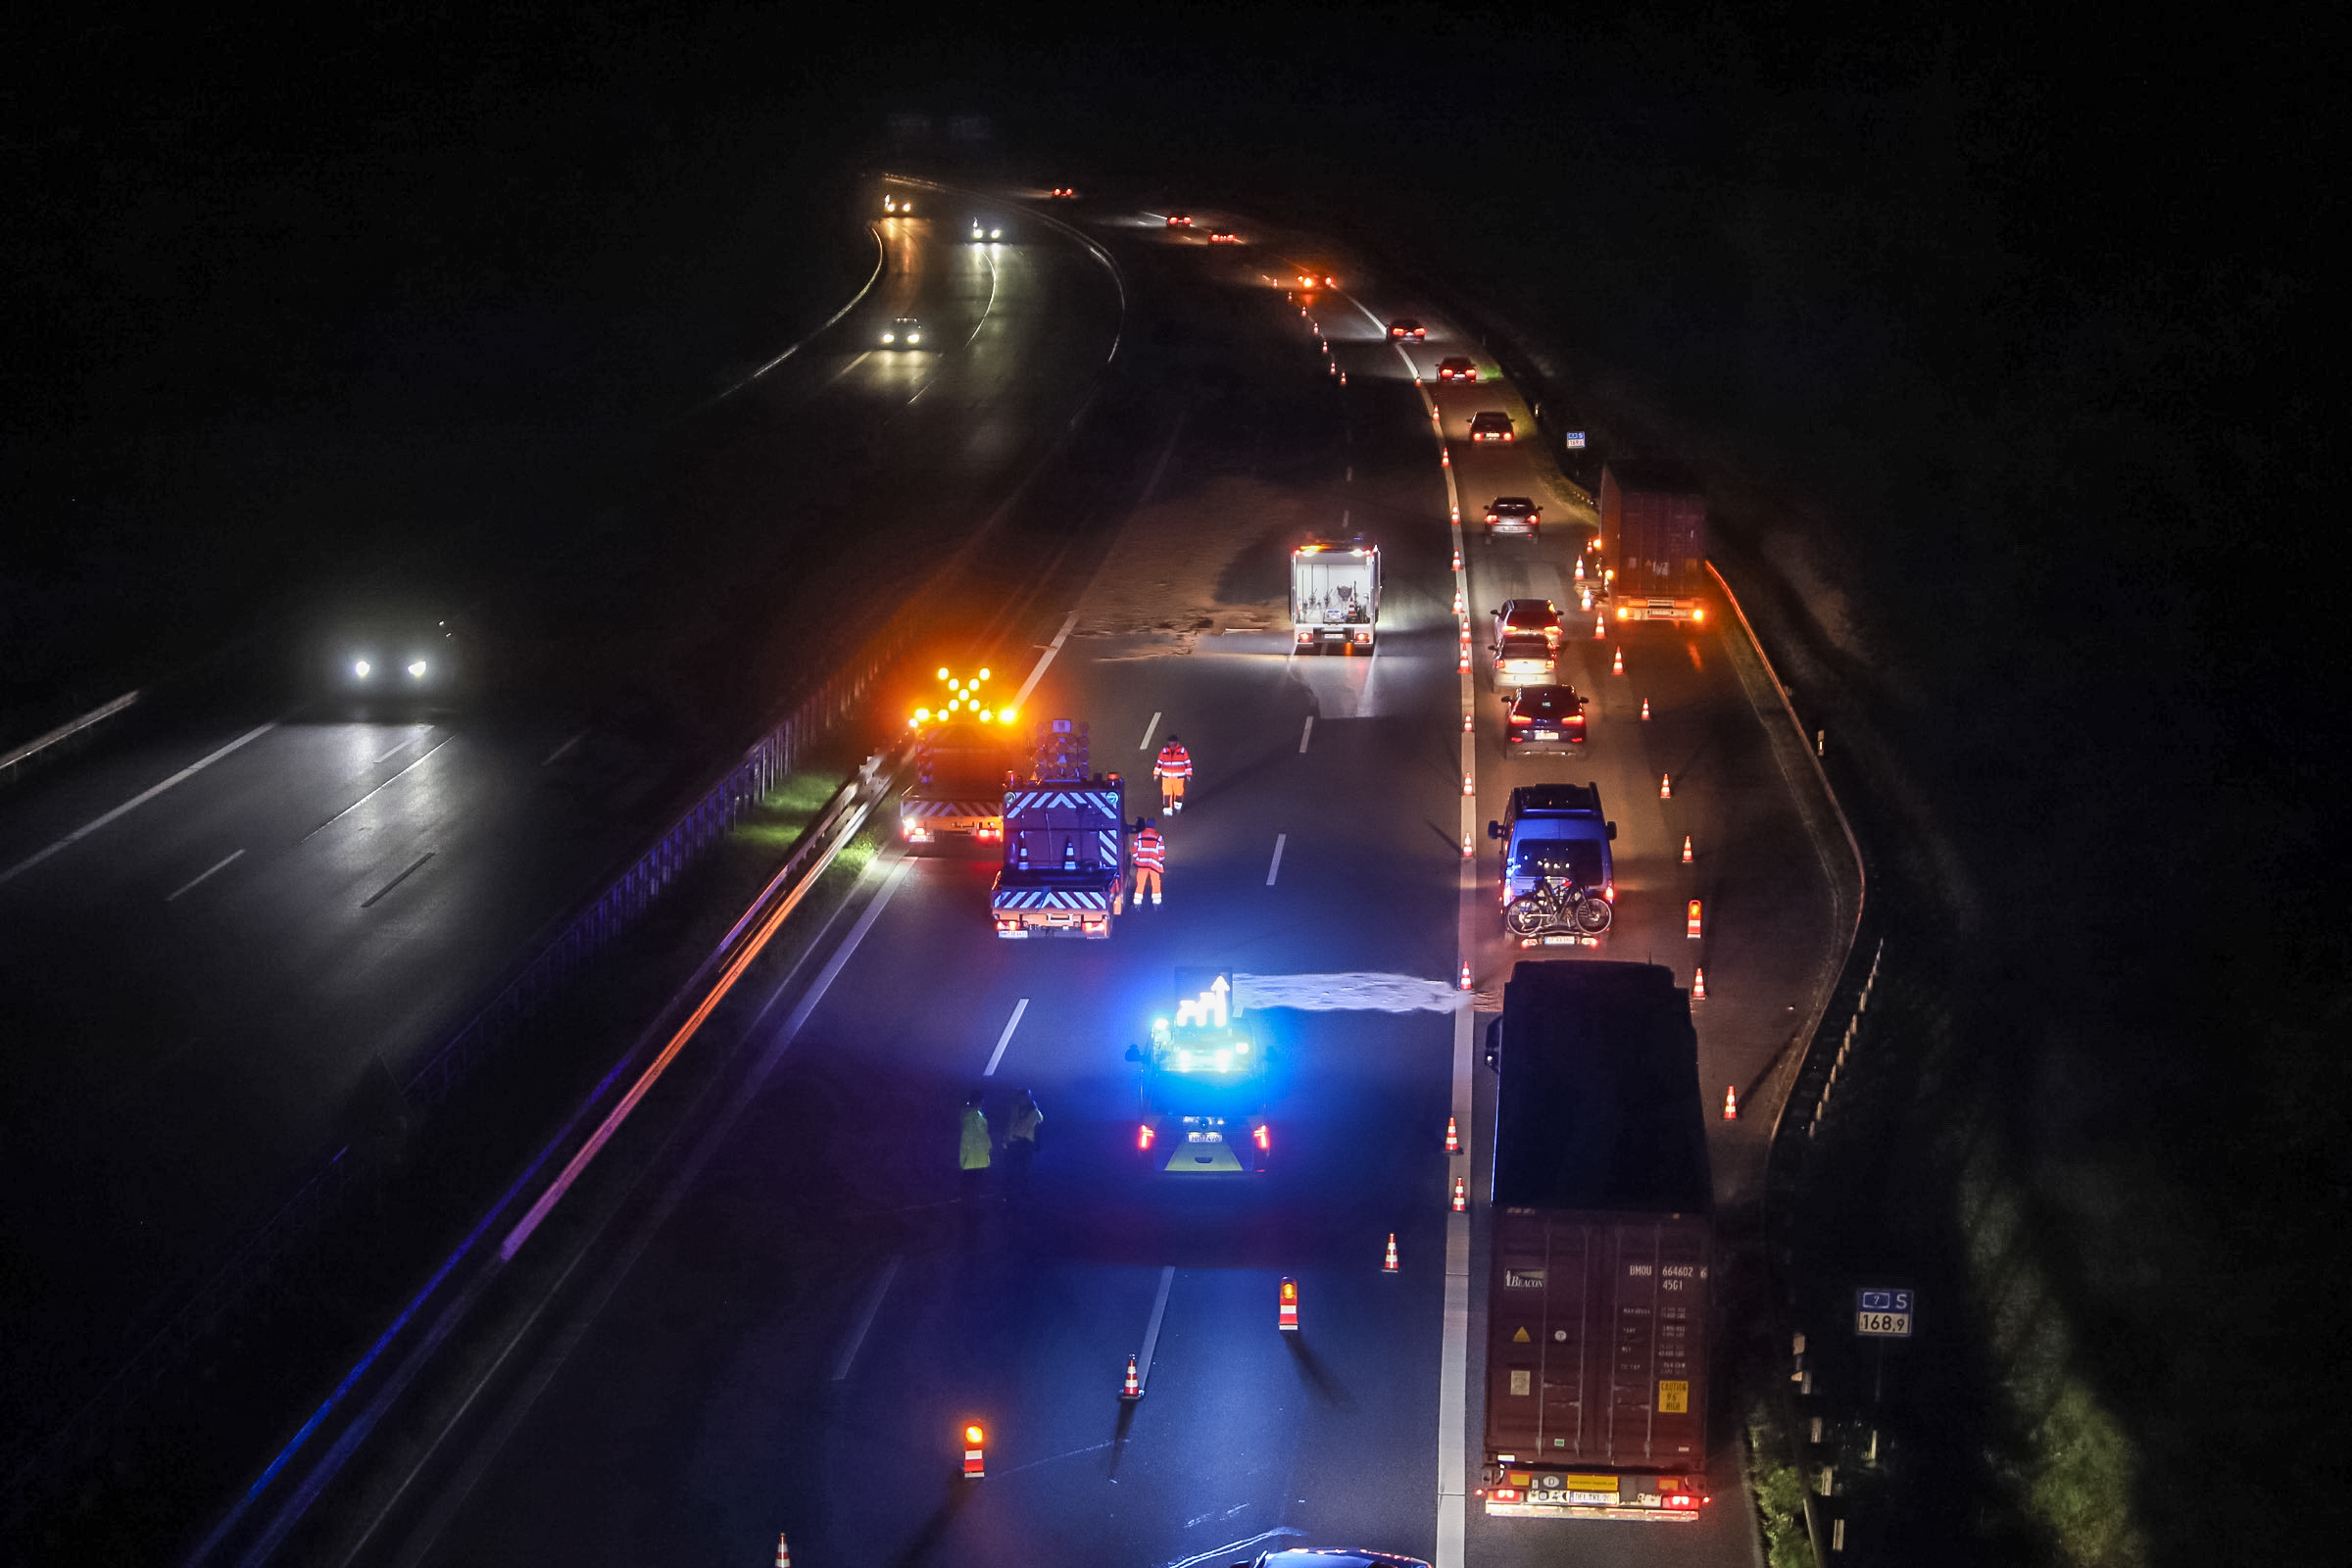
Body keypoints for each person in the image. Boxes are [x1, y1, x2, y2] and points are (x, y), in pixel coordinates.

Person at [958, 1091, 992, 1183]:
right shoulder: (976, 1116)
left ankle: (969, 1196)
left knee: (970, 1183)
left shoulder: (968, 1115)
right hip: (978, 1156)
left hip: (971, 1157)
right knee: (974, 1183)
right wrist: (988, 1145)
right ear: (979, 1102)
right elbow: (981, 1135)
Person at [1005, 1089, 1043, 1170]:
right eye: (1021, 1097)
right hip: (1013, 1144)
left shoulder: (1034, 1112)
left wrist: (1036, 1144)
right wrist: (1006, 1139)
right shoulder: (1014, 1109)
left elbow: (1032, 1128)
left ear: (1029, 1098)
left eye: (1024, 1097)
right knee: (1011, 1170)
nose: (1022, 1099)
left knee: (1022, 1171)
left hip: (1025, 1145)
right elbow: (1010, 1125)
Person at [1153, 734, 1193, 813]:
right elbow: (1159, 763)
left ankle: (1178, 806)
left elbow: (1187, 763)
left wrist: (1188, 774)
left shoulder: (1183, 751)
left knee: (1179, 792)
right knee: (1167, 793)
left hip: (1179, 777)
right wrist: (1156, 774)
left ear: (1177, 743)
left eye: (1174, 744)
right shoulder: (1164, 751)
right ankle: (1167, 810)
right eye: (1171, 744)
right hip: (1166, 777)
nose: (1172, 746)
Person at [1131, 816, 1165, 906]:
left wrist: (1137, 860)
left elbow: (1134, 850)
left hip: (1142, 864)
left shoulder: (1139, 836)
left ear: (1146, 825)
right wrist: (1159, 861)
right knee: (1156, 883)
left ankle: (1137, 904)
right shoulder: (1159, 837)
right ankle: (1157, 903)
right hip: (1154, 865)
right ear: (1154, 826)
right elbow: (1161, 853)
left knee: (1140, 883)